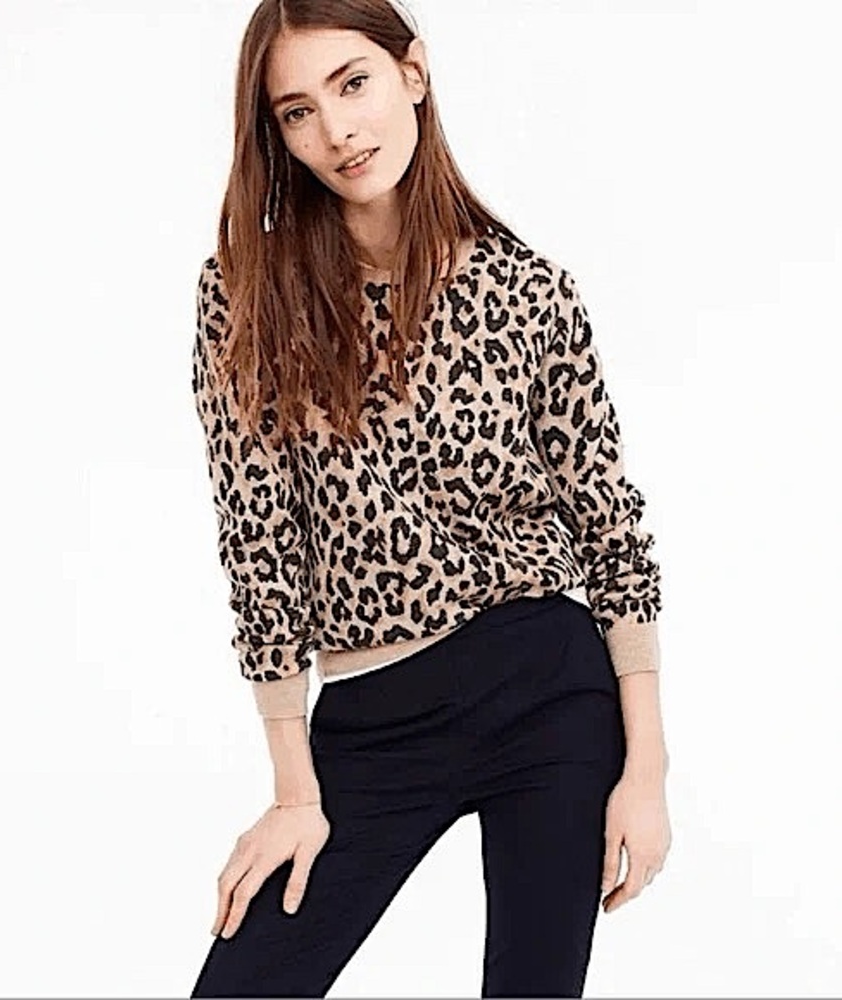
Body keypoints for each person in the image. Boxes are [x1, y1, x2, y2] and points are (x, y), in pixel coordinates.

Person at [188, 0, 671, 995]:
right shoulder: (248, 291)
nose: (337, 131)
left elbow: (611, 528)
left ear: (413, 73)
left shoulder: (529, 291)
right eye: (297, 111)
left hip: (548, 689)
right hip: (373, 716)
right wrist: (294, 789)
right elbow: (257, 537)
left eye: (353, 84)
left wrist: (647, 769)